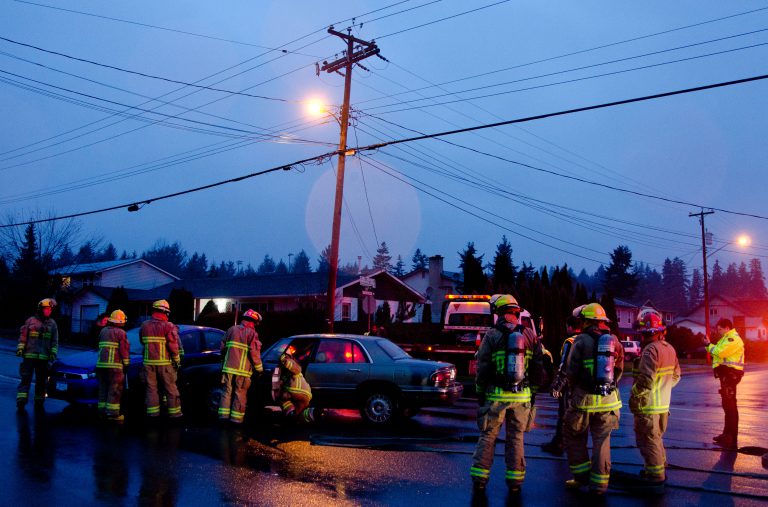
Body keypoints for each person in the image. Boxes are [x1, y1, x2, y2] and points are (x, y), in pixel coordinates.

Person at [470, 294, 544, 494]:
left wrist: (479, 392)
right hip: (522, 396)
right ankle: (515, 482)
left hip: (496, 396)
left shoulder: (492, 335)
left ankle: (480, 479)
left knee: (488, 436)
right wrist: (533, 392)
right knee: (516, 438)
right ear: (516, 313)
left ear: (499, 313)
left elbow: (482, 368)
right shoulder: (530, 335)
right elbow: (539, 367)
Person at [563, 302, 624, 495]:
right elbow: (619, 369)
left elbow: (571, 372)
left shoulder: (580, 341)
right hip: (609, 400)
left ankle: (581, 477)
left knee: (574, 435)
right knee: (602, 440)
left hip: (584, 400)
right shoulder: (614, 340)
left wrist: (573, 392)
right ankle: (599, 485)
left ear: (586, 321)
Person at [629, 308, 681, 484]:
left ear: (644, 333)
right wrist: (663, 388)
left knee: (647, 440)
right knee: (656, 439)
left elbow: (645, 380)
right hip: (663, 406)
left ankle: (655, 475)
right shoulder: (670, 349)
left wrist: (634, 394)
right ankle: (660, 466)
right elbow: (676, 376)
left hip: (648, 406)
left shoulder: (650, 351)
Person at [543, 306, 585, 455]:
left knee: (564, 414)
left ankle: (559, 443)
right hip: (584, 386)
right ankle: (567, 442)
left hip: (569, 387)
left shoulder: (570, 341)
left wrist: (556, 388)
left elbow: (564, 367)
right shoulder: (587, 339)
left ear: (570, 327)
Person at [704, 318, 745, 449]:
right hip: (727, 374)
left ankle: (730, 437)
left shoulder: (732, 339)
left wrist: (708, 345)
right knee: (727, 406)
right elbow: (718, 352)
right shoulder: (726, 338)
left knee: (730, 406)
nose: (718, 331)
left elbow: (719, 352)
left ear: (727, 327)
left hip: (730, 374)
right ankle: (726, 434)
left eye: (720, 329)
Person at [218, 309, 264, 424]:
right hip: (242, 371)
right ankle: (236, 420)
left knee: (226, 392)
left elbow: (222, 348)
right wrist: (259, 369)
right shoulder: (252, 333)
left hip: (228, 368)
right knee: (240, 393)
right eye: (255, 323)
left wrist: (224, 361)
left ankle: (223, 417)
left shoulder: (231, 330)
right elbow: (254, 353)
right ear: (253, 322)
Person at [139, 299, 182, 419]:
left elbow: (142, 341)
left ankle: (153, 413)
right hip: (164, 363)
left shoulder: (144, 325)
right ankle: (175, 414)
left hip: (148, 363)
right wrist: (177, 360)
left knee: (151, 389)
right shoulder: (168, 326)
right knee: (170, 388)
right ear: (165, 312)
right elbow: (173, 345)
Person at [16, 298, 59, 410]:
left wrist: (53, 353)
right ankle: (21, 401)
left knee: (42, 381)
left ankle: (39, 402)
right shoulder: (30, 321)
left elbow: (55, 341)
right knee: (25, 379)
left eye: (50, 309)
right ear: (40, 309)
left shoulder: (52, 324)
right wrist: (20, 348)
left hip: (44, 358)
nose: (49, 311)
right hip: (29, 356)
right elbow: (23, 336)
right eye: (47, 309)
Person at [96, 310, 131, 422]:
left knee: (103, 389)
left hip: (101, 366)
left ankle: (101, 411)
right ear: (120, 321)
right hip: (114, 367)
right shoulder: (121, 333)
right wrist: (126, 364)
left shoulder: (103, 331)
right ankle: (113, 414)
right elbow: (124, 350)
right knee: (114, 390)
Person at [276, 348, 315, 423]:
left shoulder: (282, 366)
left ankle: (290, 413)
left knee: (282, 398)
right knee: (301, 412)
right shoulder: (293, 363)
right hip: (307, 394)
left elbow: (297, 369)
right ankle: (313, 413)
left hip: (293, 390)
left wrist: (285, 360)